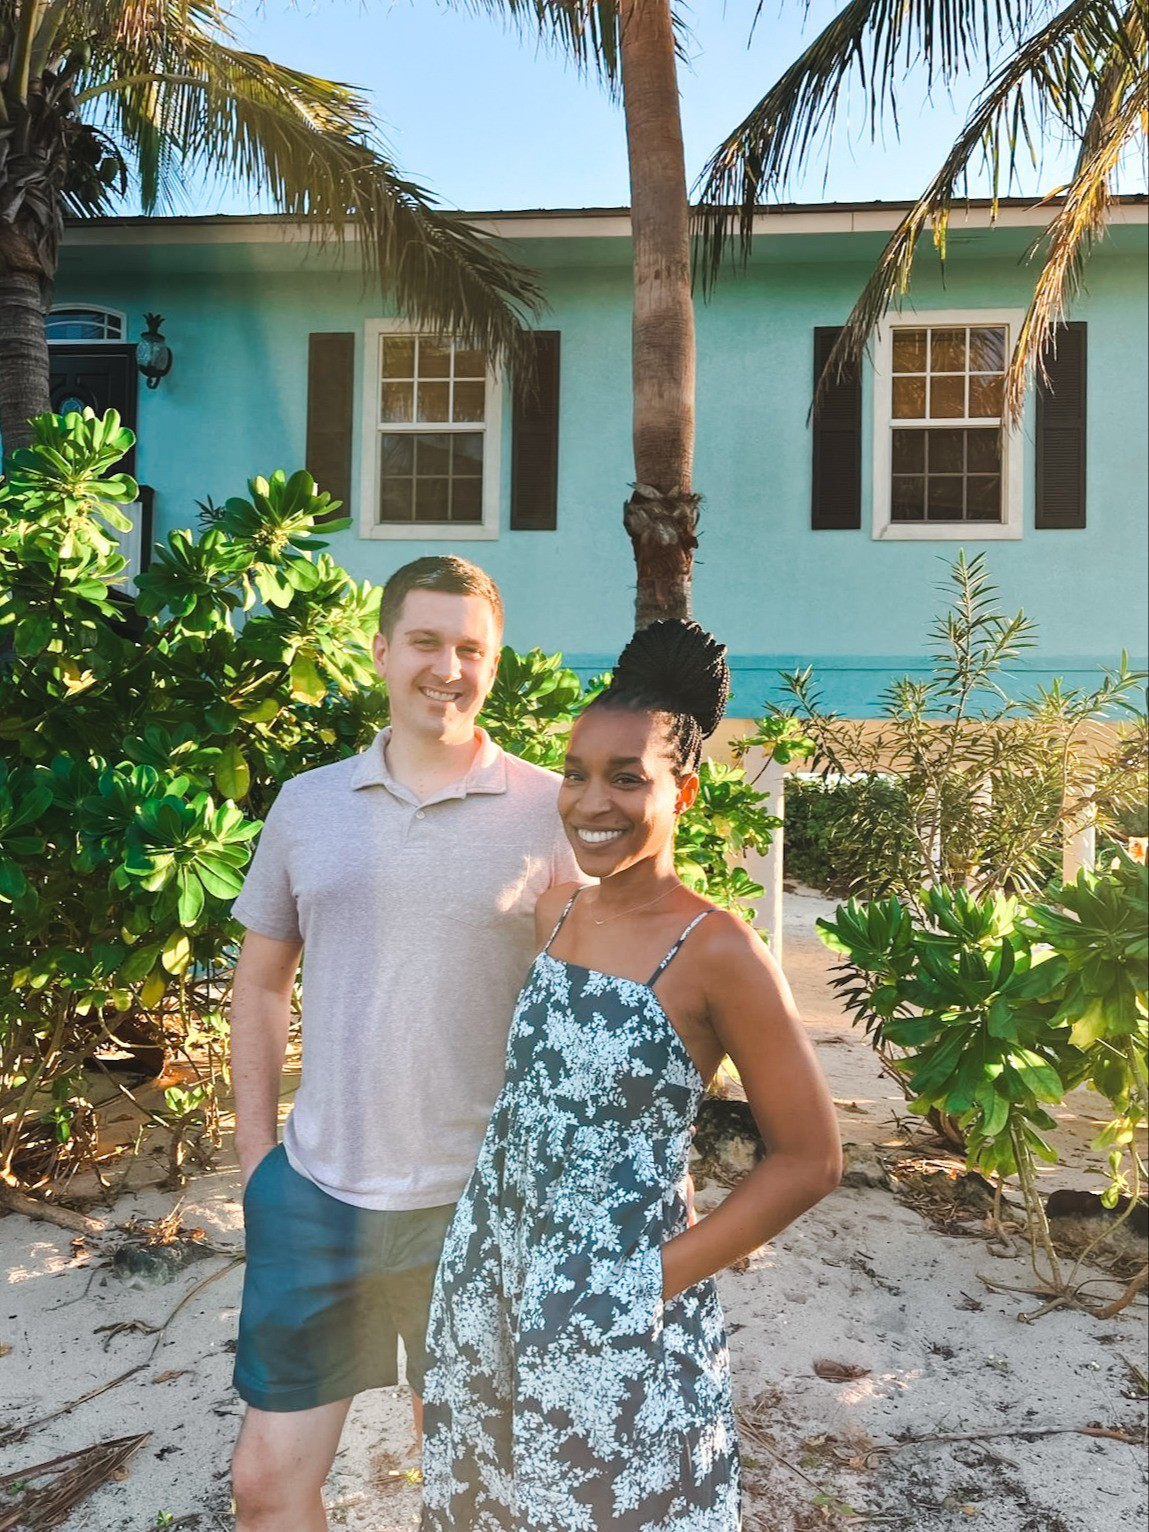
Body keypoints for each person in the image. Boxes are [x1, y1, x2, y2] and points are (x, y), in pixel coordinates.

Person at [421, 618, 843, 1530]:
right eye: (574, 774)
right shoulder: (559, 910)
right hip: (491, 1269)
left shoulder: (717, 948)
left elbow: (810, 1160)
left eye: (626, 778)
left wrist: (647, 1280)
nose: (589, 802)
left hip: (614, 1293)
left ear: (681, 790)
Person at [227, 555, 582, 1532]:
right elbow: (258, 982)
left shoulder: (553, 811)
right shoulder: (306, 803)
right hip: (317, 1198)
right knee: (265, 1484)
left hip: (475, 1210)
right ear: (382, 650)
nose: (448, 666)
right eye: (426, 641)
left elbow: (592, 1004)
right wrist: (259, 1156)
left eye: (472, 647)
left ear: (495, 664)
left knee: (469, 1495)